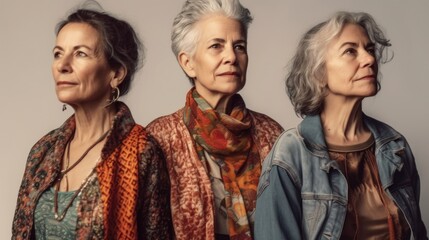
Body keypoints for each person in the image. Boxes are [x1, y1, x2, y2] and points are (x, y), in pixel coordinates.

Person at [254, 11, 428, 240]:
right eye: (350, 51)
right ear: (318, 73)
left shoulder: (394, 146)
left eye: (369, 49)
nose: (369, 60)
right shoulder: (291, 154)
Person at [12, 4, 172, 240]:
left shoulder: (141, 152)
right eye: (58, 53)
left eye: (80, 54)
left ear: (115, 74)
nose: (62, 65)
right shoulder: (42, 151)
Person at [146, 0, 283, 239]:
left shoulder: (272, 135)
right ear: (188, 63)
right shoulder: (160, 138)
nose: (231, 56)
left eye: (239, 46)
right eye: (216, 46)